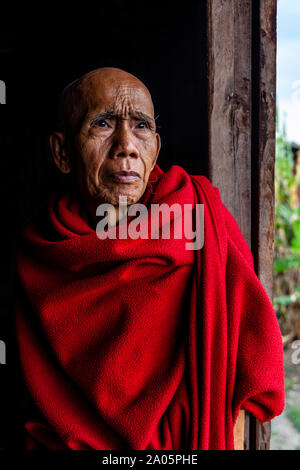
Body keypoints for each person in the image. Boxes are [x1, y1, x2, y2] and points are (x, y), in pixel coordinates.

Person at [13, 67, 285, 450]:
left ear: (155, 148)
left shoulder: (193, 211)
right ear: (62, 152)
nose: (126, 145)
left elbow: (253, 352)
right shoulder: (42, 253)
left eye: (140, 126)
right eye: (103, 123)